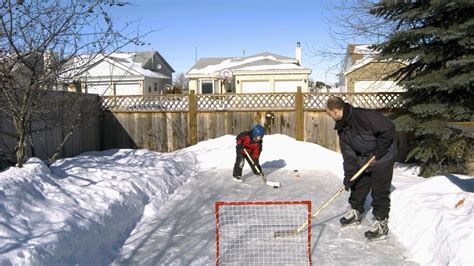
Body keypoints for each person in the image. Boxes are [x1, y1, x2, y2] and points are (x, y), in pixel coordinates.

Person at [326, 96, 398, 239]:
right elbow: (348, 154)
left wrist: (377, 153)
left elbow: (389, 128)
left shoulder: (364, 116)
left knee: (379, 190)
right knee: (358, 183)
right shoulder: (342, 126)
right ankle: (356, 212)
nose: (329, 116)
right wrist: (349, 176)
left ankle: (381, 223)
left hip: (383, 156)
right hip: (364, 157)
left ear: (334, 111)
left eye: (329, 113)